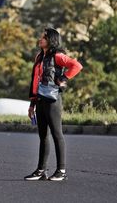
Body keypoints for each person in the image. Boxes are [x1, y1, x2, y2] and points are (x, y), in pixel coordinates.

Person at [24, 27, 82, 182]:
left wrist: (64, 78)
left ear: (50, 40)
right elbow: (35, 81)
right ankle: (41, 171)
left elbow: (76, 66)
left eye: (43, 37)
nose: (40, 39)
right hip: (40, 100)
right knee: (43, 136)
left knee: (57, 134)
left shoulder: (57, 56)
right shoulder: (39, 57)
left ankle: (61, 171)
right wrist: (32, 105)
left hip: (53, 100)